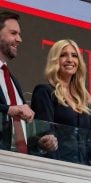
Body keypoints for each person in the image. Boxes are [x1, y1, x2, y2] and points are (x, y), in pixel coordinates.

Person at [31, 39, 91, 165]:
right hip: (56, 168)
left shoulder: (83, 101)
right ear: (55, 60)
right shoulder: (45, 92)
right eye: (63, 55)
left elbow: (90, 146)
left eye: (74, 55)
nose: (70, 60)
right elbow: (45, 135)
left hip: (84, 173)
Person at [0, 11, 56, 153]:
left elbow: (17, 131)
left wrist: (39, 142)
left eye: (19, 34)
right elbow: (9, 112)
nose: (19, 39)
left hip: (17, 164)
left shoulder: (13, 81)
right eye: (13, 33)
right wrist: (8, 109)